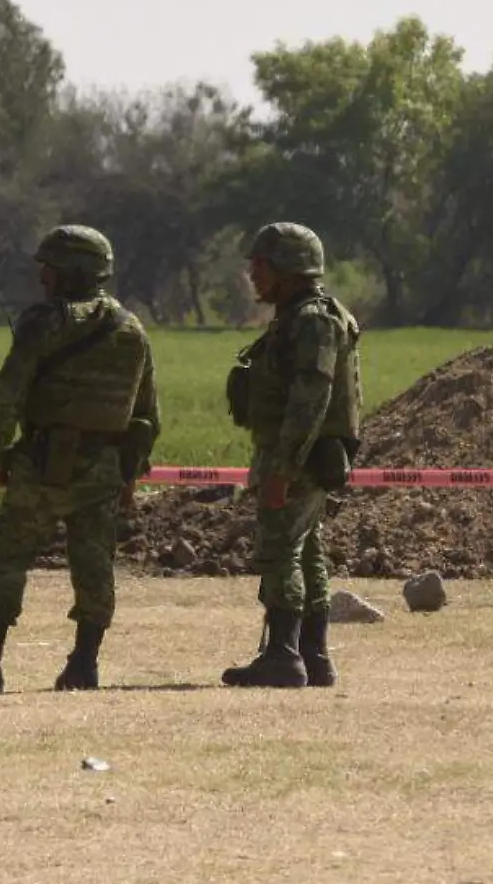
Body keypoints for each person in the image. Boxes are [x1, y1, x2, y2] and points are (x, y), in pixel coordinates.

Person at [0, 226, 159, 695]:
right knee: (95, 565)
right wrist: (128, 474)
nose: (43, 278)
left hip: (42, 462)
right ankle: (83, 665)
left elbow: (8, 397)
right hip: (102, 467)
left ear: (71, 272)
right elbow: (145, 416)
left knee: (8, 557)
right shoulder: (132, 330)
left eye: (49, 269)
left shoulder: (44, 322)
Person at [220, 222, 363, 689]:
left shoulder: (312, 320)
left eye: (261, 266)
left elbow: (311, 398)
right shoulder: (298, 316)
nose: (253, 275)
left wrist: (282, 467)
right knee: (306, 552)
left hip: (298, 458)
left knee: (280, 549)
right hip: (298, 455)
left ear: (288, 269)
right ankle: (313, 656)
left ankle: (284, 655)